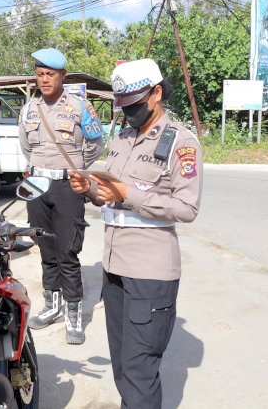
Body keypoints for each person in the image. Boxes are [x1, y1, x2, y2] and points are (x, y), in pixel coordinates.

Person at [68, 58, 203, 408]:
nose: (128, 114)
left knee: (139, 371)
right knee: (123, 368)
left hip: (150, 273)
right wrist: (89, 189)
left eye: (135, 106)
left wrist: (129, 194)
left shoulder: (181, 143)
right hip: (115, 271)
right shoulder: (124, 139)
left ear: (156, 93)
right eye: (122, 107)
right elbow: (111, 196)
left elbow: (187, 208)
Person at [18, 47, 104, 345]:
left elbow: (95, 143)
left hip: (68, 186)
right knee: (45, 249)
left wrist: (76, 168)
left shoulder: (81, 107)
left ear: (62, 76)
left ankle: (74, 316)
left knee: (68, 252)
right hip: (37, 184)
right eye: (40, 74)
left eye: (50, 74)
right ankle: (51, 307)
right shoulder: (29, 108)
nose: (44, 80)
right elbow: (27, 147)